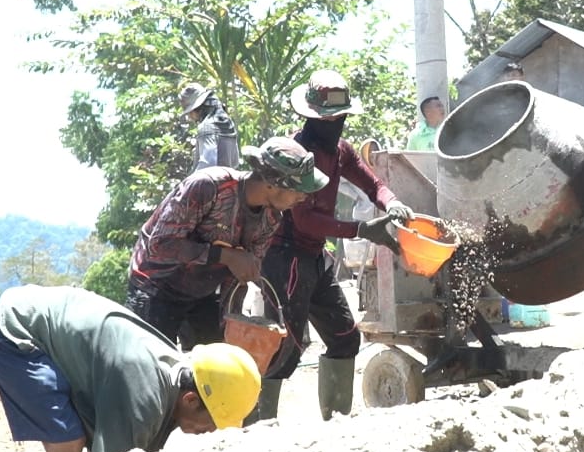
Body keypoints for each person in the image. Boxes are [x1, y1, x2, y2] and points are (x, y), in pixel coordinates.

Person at [250, 69, 415, 423]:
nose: (334, 124)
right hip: (284, 257)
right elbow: (305, 220)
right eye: (328, 118)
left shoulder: (341, 152)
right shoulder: (296, 155)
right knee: (286, 347)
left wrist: (393, 202)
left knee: (345, 338)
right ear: (311, 116)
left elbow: (373, 185)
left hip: (314, 256)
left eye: (339, 118)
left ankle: (335, 424)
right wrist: (362, 229)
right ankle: (260, 425)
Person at [0, 284, 261, 452]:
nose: (209, 432)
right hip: (11, 327)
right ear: (191, 399)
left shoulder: (175, 376)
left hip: (44, 320)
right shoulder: (143, 397)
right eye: (212, 423)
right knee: (67, 445)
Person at [126, 136, 329, 349]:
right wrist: (225, 256)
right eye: (299, 190)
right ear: (271, 184)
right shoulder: (209, 187)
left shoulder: (271, 219)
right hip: (156, 285)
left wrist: (232, 323)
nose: (304, 198)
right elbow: (160, 245)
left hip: (202, 292)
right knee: (151, 361)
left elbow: (240, 275)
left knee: (215, 362)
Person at [179, 82, 240, 170]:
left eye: (189, 113)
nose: (190, 117)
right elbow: (235, 162)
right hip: (229, 176)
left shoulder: (206, 127)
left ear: (197, 109)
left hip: (212, 178)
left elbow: (207, 165)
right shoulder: (228, 123)